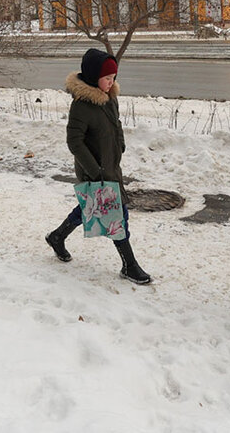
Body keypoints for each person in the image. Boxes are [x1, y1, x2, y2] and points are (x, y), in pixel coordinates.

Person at [44, 48, 151, 285]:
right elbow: (74, 141)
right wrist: (94, 170)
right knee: (117, 214)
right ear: (94, 77)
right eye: (107, 78)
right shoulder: (81, 106)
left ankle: (57, 236)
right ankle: (129, 265)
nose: (111, 82)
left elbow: (117, 124)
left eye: (114, 77)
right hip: (95, 170)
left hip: (111, 166)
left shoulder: (110, 98)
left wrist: (120, 144)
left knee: (89, 208)